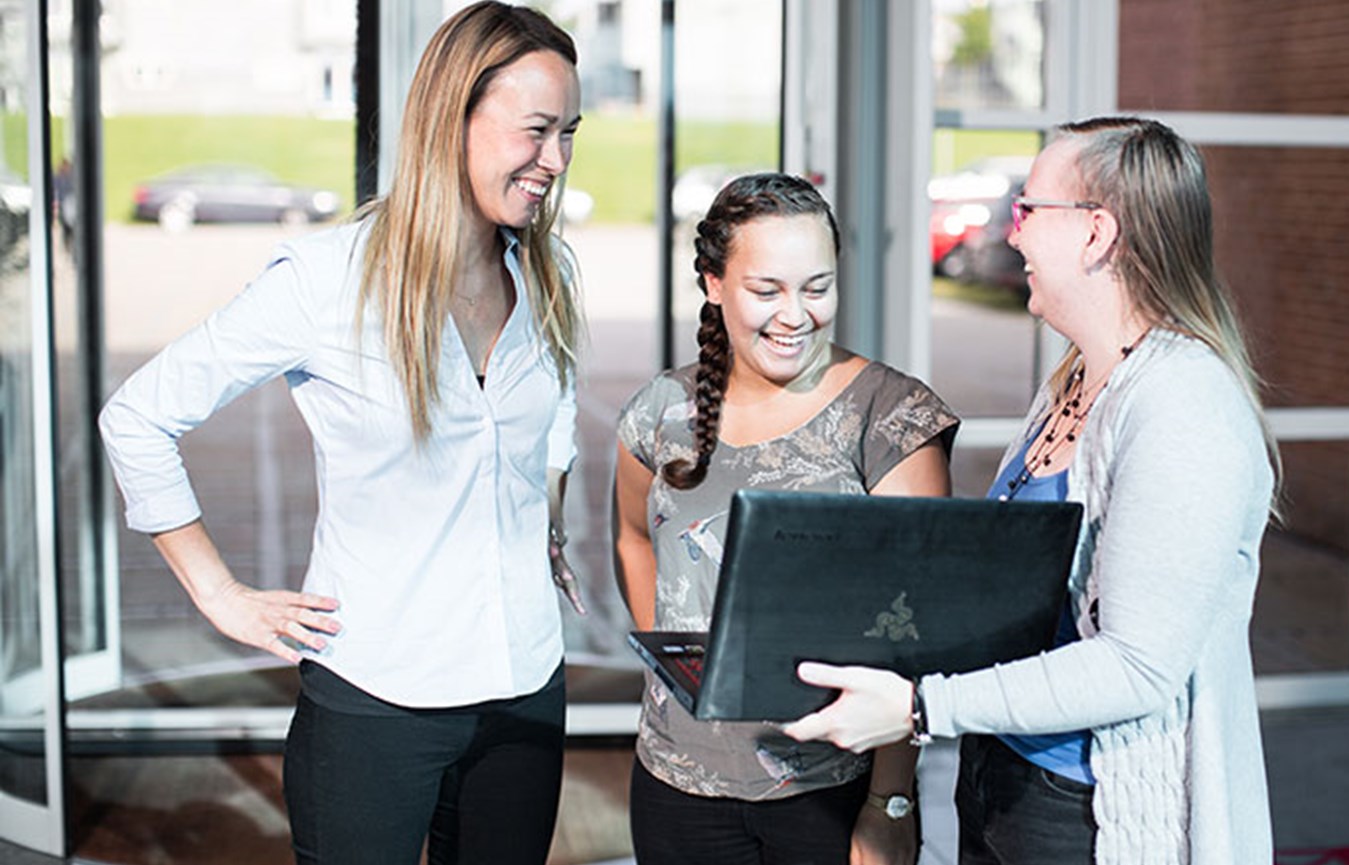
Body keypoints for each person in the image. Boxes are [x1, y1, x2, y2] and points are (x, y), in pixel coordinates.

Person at [97, 3, 586, 862]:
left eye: (569, 134)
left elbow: (557, 407)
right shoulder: (328, 282)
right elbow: (137, 417)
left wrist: (541, 509)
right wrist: (219, 593)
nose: (557, 161)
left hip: (525, 691)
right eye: (537, 130)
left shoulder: (547, 270)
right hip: (374, 700)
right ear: (451, 118)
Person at [784, 117, 1279, 865]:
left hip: (1085, 809)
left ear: (1096, 233)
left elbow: (1137, 665)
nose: (1012, 234)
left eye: (1028, 208)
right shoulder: (1076, 379)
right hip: (1003, 771)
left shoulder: (1183, 405)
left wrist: (921, 707)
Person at [612, 172, 959, 865]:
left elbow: (914, 627)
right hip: (675, 787)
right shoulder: (659, 411)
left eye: (816, 287)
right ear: (713, 283)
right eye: (766, 290)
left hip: (833, 791)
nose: (795, 315)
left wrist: (890, 802)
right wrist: (686, 676)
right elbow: (632, 539)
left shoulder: (890, 416)